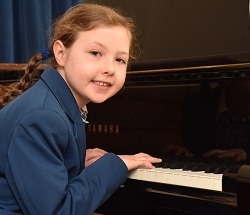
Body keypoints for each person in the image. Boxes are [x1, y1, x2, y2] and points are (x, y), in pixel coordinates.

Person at [0, 3, 161, 215]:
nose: (110, 69)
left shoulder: (51, 102)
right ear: (60, 53)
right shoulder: (42, 117)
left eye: (120, 59)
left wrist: (71, 161)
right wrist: (116, 164)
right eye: (95, 53)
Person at [164, 80, 250, 162]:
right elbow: (193, 146)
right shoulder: (195, 103)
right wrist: (188, 152)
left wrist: (245, 154)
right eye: (242, 98)